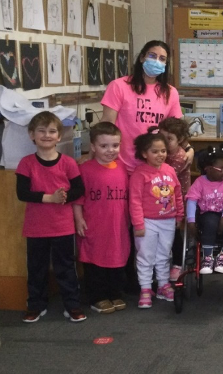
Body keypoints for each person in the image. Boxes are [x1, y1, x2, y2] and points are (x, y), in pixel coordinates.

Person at [16, 112, 86, 323]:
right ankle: (36, 305)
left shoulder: (68, 163)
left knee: (66, 267)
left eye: (52, 131)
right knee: (36, 268)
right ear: (32, 135)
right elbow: (23, 193)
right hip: (36, 228)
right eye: (41, 131)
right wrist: (50, 198)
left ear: (59, 136)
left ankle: (72, 305)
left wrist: (64, 197)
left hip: (63, 227)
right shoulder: (26, 163)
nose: (47, 135)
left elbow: (78, 190)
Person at [101, 40, 184, 174]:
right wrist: (94, 156)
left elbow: (175, 130)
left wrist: (189, 148)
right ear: (141, 57)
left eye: (162, 59)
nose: (156, 61)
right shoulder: (118, 86)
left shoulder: (171, 92)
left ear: (166, 64)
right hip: (120, 165)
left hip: (154, 168)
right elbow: (106, 126)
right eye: (152, 56)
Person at [73, 122, 130, 314]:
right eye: (104, 146)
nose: (110, 150)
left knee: (117, 259)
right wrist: (79, 219)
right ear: (93, 147)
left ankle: (115, 293)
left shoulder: (122, 168)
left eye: (115, 145)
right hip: (94, 225)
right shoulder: (85, 169)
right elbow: (78, 199)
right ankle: (97, 297)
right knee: (95, 262)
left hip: (118, 226)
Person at [129, 127, 184, 309]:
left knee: (164, 255)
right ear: (144, 153)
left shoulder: (169, 170)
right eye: (155, 151)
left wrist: (179, 215)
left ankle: (163, 284)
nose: (160, 155)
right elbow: (135, 201)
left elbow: (177, 194)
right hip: (147, 222)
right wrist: (138, 223)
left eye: (163, 151)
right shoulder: (140, 174)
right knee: (146, 255)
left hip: (168, 221)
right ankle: (145, 288)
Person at [186, 148, 223, 277]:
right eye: (222, 169)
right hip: (208, 212)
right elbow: (192, 201)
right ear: (208, 169)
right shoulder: (199, 182)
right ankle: (208, 258)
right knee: (210, 223)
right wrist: (191, 221)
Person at [157, 118, 193, 281]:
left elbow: (164, 176)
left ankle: (178, 263)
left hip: (178, 200)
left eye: (169, 139)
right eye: (162, 137)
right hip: (164, 197)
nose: (164, 142)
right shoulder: (164, 153)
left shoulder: (180, 157)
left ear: (180, 140)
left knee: (174, 232)